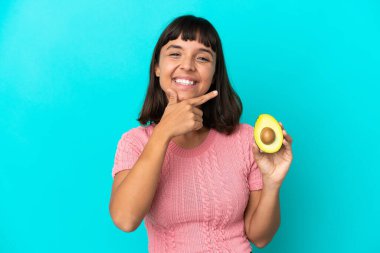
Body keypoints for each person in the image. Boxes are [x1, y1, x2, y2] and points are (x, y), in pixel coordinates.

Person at [109, 15, 293, 253]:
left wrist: (271, 184)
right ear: (156, 67)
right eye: (175, 53)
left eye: (203, 57)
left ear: (215, 72)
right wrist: (163, 131)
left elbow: (260, 237)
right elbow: (125, 219)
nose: (187, 65)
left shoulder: (245, 139)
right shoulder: (135, 143)